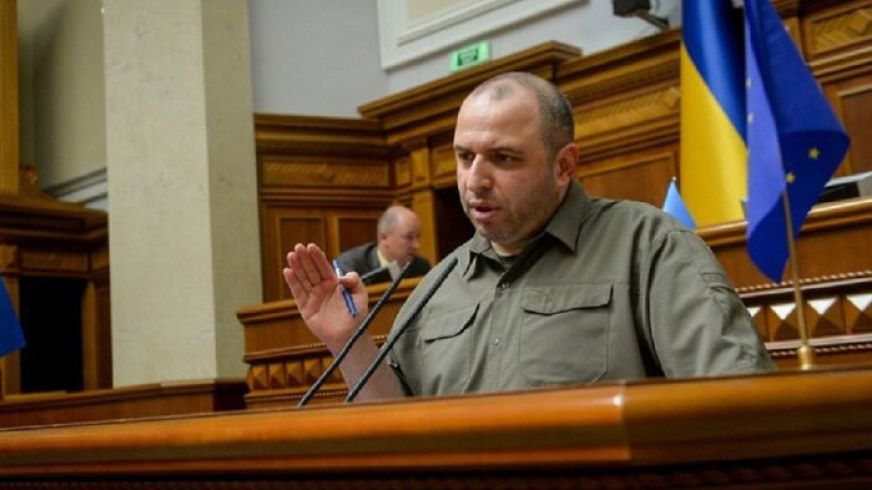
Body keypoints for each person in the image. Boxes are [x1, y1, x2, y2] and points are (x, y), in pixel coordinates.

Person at [283, 72, 775, 402]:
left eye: (504, 158)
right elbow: (394, 431)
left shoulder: (647, 245)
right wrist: (347, 341)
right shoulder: (438, 284)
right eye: (464, 157)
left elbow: (738, 402)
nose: (475, 180)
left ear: (564, 166)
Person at [335, 205, 431, 285]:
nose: (417, 245)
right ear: (384, 238)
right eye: (409, 237)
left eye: (418, 237)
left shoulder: (421, 266)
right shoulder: (351, 267)